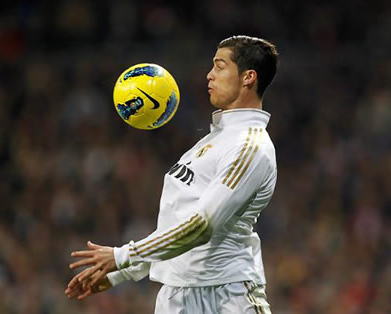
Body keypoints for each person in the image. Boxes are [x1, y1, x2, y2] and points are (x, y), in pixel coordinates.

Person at [65, 35, 279, 314]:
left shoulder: (251, 146)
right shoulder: (213, 141)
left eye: (219, 66)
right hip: (176, 297)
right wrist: (122, 273)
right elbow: (178, 223)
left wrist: (123, 257)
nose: (209, 75)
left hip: (226, 297)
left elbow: (202, 226)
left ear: (248, 77)